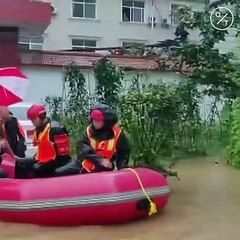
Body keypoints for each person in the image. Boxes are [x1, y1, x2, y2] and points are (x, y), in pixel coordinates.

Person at [16, 104, 80, 178]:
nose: (32, 122)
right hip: (42, 160)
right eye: (31, 120)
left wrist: (43, 164)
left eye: (33, 119)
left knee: (37, 168)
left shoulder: (56, 129)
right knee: (20, 164)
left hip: (56, 161)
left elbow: (64, 157)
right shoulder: (39, 130)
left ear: (42, 116)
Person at [78, 103, 130, 173]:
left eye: (98, 121)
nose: (95, 123)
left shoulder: (117, 133)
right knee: (61, 172)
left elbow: (123, 154)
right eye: (94, 120)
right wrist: (100, 160)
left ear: (106, 122)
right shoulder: (88, 131)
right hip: (85, 165)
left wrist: (121, 169)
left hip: (105, 168)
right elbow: (84, 150)